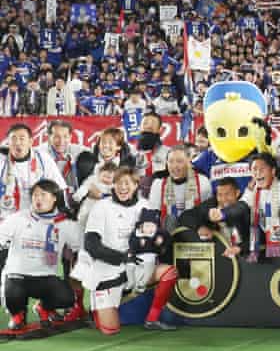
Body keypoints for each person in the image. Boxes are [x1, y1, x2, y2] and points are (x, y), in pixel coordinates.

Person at [71, 167, 178, 334]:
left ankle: (152, 318)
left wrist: (160, 240)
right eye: (118, 183)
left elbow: (153, 238)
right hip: (108, 271)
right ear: (113, 185)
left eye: (127, 183)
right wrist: (122, 257)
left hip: (135, 267)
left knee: (169, 272)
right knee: (110, 330)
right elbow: (92, 245)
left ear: (136, 185)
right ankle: (98, 309)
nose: (122, 187)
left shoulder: (145, 206)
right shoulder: (101, 207)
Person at [0, 180, 81, 330]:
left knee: (66, 298)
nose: (39, 199)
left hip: (45, 276)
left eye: (43, 195)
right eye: (35, 195)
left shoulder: (64, 222)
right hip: (17, 275)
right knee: (12, 293)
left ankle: (43, 307)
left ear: (55, 197)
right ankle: (17, 315)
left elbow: (81, 247)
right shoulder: (19, 218)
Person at [236, 153, 280, 261]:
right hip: (274, 244)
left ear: (272, 171)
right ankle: (253, 251)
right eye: (254, 169)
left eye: (262, 169)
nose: (258, 173)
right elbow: (240, 209)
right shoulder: (253, 190)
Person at [0, 123, 66, 222]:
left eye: (22, 138)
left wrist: (61, 214)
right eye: (13, 139)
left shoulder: (43, 159)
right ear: (8, 142)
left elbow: (60, 189)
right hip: (7, 217)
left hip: (38, 217)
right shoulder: (1, 160)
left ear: (31, 141)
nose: (17, 143)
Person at [147, 145, 213, 232]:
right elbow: (153, 216)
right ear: (166, 163)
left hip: (194, 236)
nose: (175, 166)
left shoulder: (202, 181)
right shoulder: (158, 184)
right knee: (170, 220)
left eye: (179, 161)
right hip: (167, 237)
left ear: (188, 162)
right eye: (171, 161)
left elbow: (207, 214)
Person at [179, 177, 251, 258]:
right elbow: (185, 216)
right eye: (220, 195)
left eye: (227, 194)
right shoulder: (210, 205)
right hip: (217, 257)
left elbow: (257, 237)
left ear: (237, 193)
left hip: (244, 258)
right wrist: (199, 227)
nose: (223, 199)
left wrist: (240, 248)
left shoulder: (245, 206)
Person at [40, 120, 89, 203]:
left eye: (65, 136)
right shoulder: (40, 153)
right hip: (48, 197)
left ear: (70, 137)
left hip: (73, 196)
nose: (61, 141)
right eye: (56, 136)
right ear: (48, 137)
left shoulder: (78, 150)